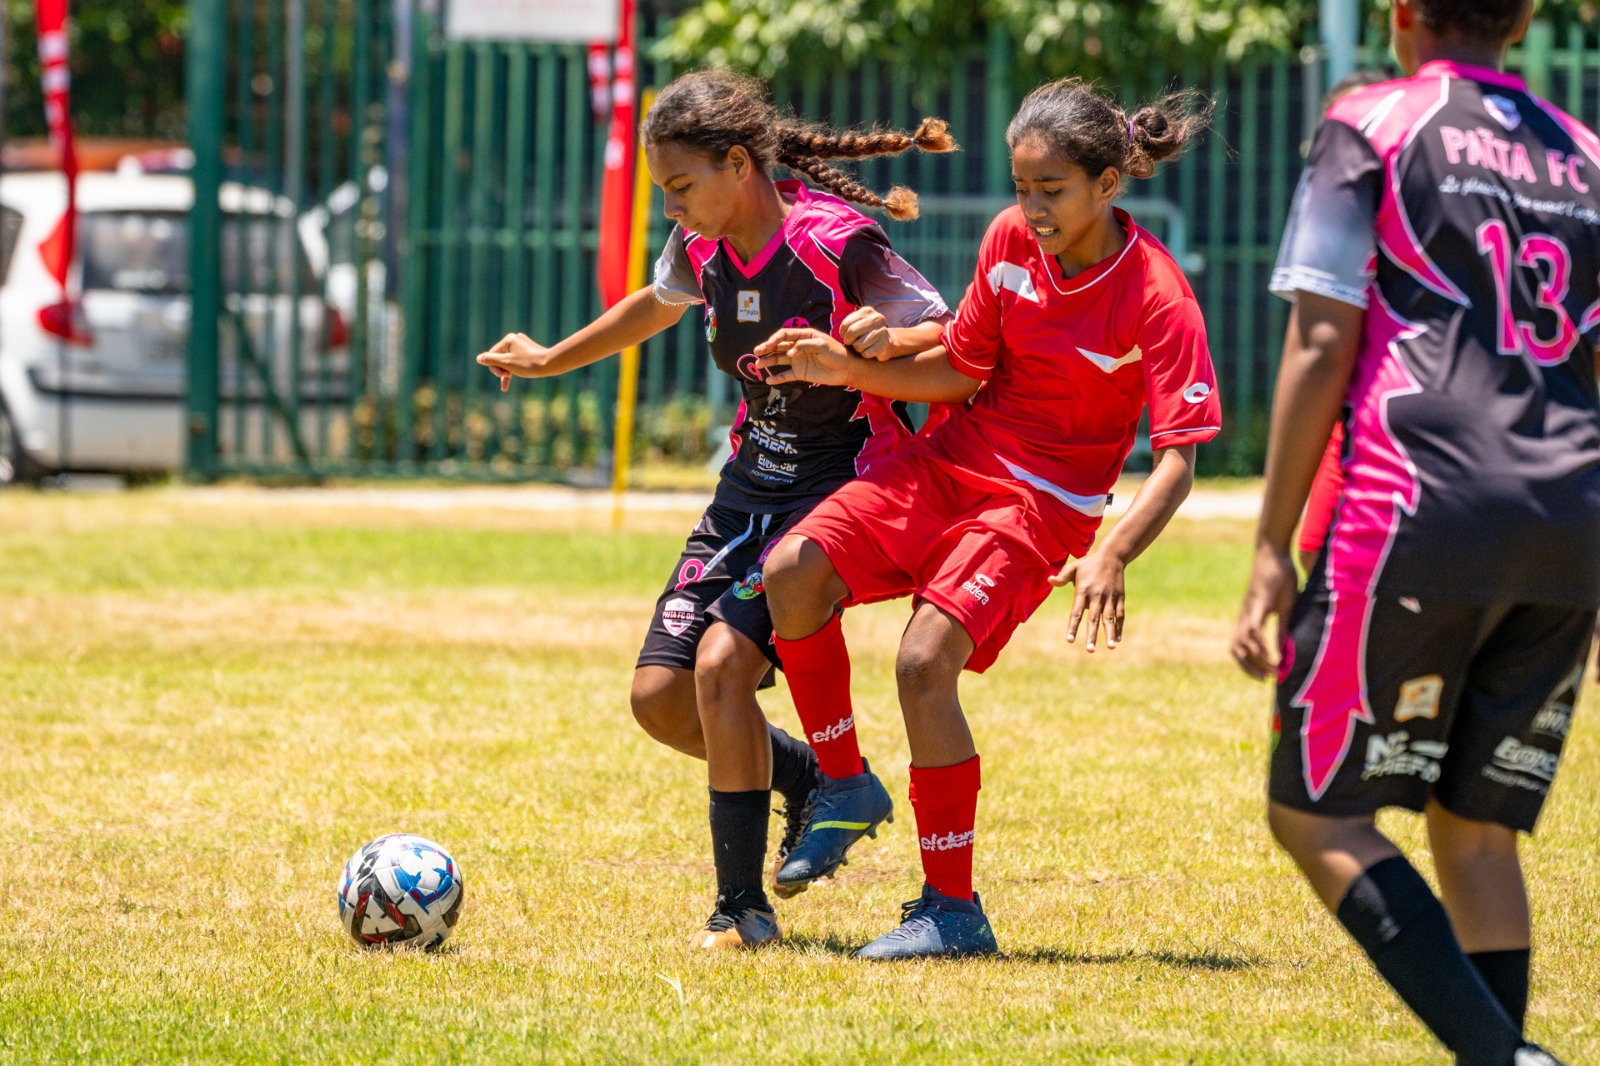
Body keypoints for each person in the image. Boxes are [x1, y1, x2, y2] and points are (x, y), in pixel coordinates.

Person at [476, 69, 956, 950]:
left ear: (739, 164)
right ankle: (809, 778)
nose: (671, 210)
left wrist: (884, 340)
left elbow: (943, 326)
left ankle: (740, 910)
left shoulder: (833, 243)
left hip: (839, 489)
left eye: (681, 188)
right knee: (660, 698)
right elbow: (653, 306)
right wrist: (550, 359)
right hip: (749, 489)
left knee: (721, 667)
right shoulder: (703, 248)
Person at [752, 77, 1220, 959]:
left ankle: (951, 910)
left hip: (1041, 508)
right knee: (792, 572)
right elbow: (961, 370)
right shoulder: (1008, 241)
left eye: (1054, 191)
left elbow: (1180, 459)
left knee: (926, 663)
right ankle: (844, 786)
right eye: (1022, 188)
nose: (1032, 209)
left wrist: (1114, 549)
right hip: (949, 463)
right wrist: (847, 366)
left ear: (1109, 184)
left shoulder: (1157, 293)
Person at [1231, 0, 1599, 1060]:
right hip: (1569, 515)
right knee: (1474, 827)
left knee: (1316, 815)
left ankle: (1507, 1057)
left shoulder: (1371, 123)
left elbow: (1318, 337)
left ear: (1398, 13)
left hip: (1415, 505)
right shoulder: (1580, 152)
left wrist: (1267, 547)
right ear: (1523, 18)